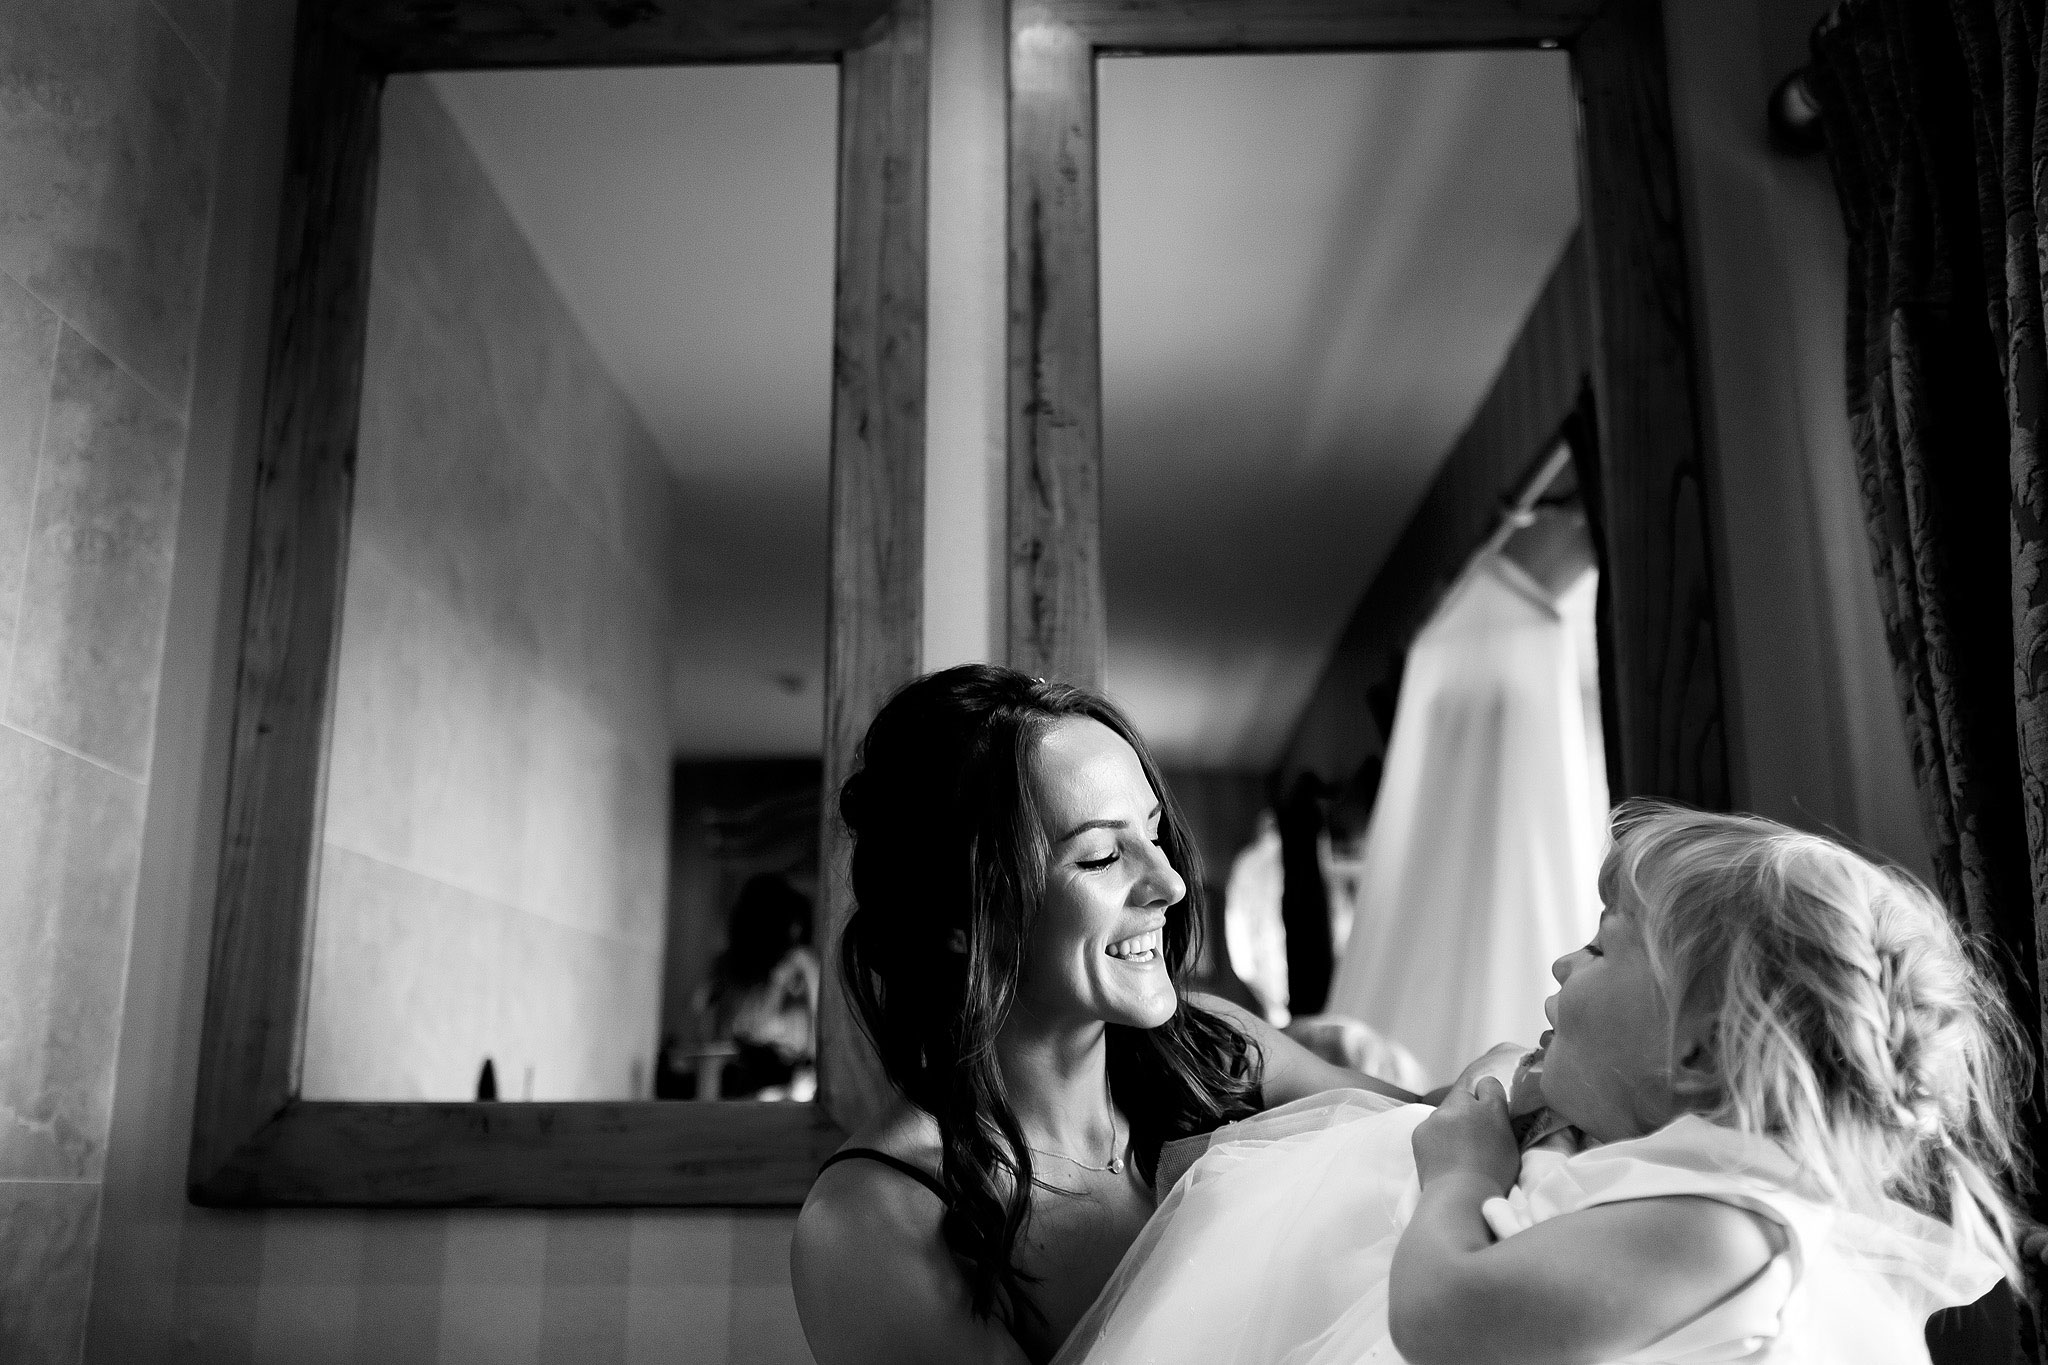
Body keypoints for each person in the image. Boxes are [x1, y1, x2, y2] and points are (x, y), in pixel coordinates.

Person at [1053, 801, 2029, 1365]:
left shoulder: (1726, 1225)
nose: (1561, 964)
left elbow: (1443, 1315)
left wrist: (1460, 1177)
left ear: (1694, 1053)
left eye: (1600, 949)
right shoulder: (1668, 1185)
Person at [790, 665, 1487, 1365]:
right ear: (957, 914)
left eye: (1153, 833)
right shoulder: (874, 1221)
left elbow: (1446, 1125)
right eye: (1099, 857)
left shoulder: (1214, 1048)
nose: (1171, 882)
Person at [693, 873, 820, 1100]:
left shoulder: (800, 963)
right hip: (746, 1083)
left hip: (789, 1084)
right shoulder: (732, 970)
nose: (796, 930)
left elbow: (818, 1029)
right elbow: (713, 1028)